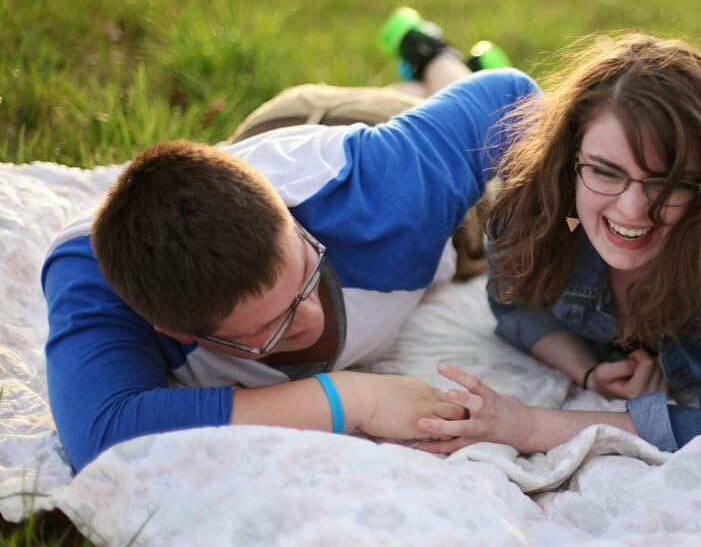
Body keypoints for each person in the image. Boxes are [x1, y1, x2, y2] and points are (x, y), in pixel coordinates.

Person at [42, 33, 537, 472]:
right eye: (265, 330)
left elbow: (512, 96)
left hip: (338, 122)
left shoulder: (378, 182)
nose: (310, 316)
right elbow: (103, 437)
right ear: (172, 329)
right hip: (251, 148)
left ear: (286, 213)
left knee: (477, 200)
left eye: (307, 272)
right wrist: (346, 397)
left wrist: (547, 290)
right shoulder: (96, 274)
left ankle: (433, 55)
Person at [414, 0, 701, 455]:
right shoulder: (537, 197)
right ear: (570, 160)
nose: (632, 209)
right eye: (605, 171)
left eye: (671, 183)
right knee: (658, 136)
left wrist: (527, 425)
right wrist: (585, 369)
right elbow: (513, 303)